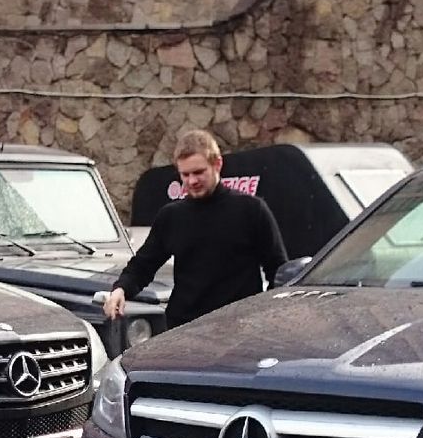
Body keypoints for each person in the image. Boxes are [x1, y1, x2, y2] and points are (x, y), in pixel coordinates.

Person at [103, 129, 288, 330]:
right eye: (185, 174)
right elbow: (143, 265)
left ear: (217, 164)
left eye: (199, 172)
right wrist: (120, 290)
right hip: (184, 329)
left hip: (239, 330)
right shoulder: (171, 216)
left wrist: (267, 316)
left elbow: (279, 271)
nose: (192, 181)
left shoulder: (252, 210)